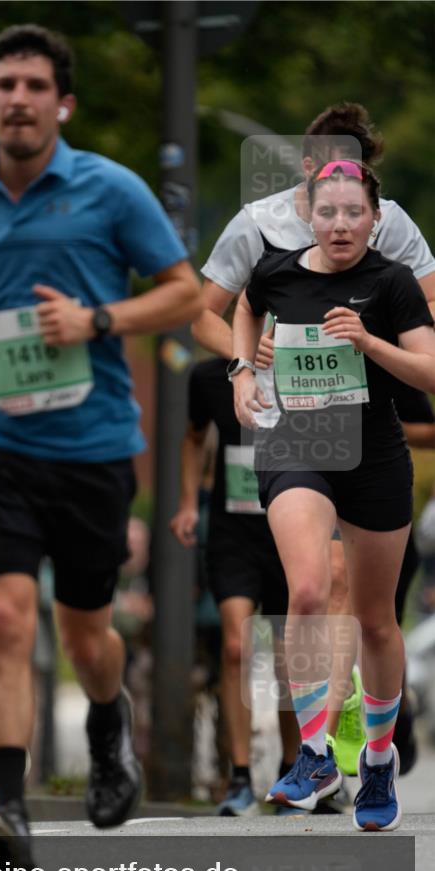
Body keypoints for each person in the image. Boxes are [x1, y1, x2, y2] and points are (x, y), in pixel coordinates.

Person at [0, 24, 202, 869]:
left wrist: (96, 320)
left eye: (37, 86)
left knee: (84, 636)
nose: (21, 99)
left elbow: (181, 294)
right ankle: (7, 806)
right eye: (7, 85)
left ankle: (109, 729)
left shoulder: (110, 190)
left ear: (61, 103)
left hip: (92, 446)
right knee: (0, 619)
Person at [194, 102, 435, 778]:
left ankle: (376, 729)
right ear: (304, 173)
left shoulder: (389, 233)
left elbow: (427, 312)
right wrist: (246, 363)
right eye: (326, 196)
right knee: (310, 587)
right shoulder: (258, 231)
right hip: (289, 432)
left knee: (370, 611)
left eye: (356, 194)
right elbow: (210, 312)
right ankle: (315, 746)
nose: (340, 215)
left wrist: (374, 339)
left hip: (373, 428)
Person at [171, 357, 301, 817]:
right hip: (233, 534)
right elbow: (192, 436)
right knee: (232, 646)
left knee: (289, 659)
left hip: (291, 531)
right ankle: (240, 776)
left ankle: (294, 769)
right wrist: (189, 503)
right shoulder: (210, 377)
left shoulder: (300, 369)